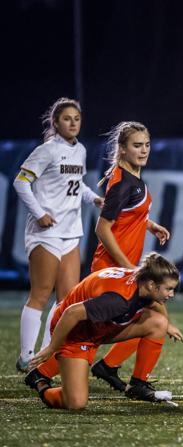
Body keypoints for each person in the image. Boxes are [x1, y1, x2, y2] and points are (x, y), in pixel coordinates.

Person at [24, 252, 183, 410]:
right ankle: (41, 383)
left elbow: (155, 303)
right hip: (75, 333)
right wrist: (52, 347)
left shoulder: (142, 282)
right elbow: (71, 313)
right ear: (151, 285)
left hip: (95, 325)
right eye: (168, 289)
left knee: (159, 323)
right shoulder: (118, 301)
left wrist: (167, 325)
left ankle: (138, 385)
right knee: (76, 402)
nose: (171, 294)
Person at [12, 97, 103, 372]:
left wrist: (94, 198)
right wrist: (39, 213)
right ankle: (26, 355)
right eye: (67, 118)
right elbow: (21, 183)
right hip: (46, 233)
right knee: (40, 293)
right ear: (55, 122)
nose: (73, 123)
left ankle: (47, 352)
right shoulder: (47, 151)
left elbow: (78, 185)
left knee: (66, 299)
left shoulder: (81, 150)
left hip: (71, 233)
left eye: (77, 118)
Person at [87, 121, 171, 392]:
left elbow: (128, 214)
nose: (144, 150)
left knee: (149, 319)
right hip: (111, 269)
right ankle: (42, 371)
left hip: (123, 268)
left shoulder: (132, 178)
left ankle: (111, 368)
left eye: (146, 144)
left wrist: (150, 224)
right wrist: (127, 268)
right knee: (96, 332)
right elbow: (102, 228)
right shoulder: (123, 183)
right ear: (122, 149)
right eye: (137, 145)